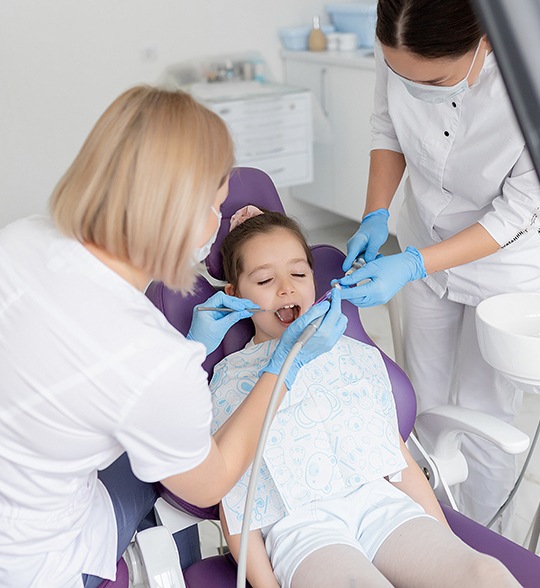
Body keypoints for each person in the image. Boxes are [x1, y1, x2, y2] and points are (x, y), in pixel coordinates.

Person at [0, 86, 345, 588]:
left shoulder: (19, 238)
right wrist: (284, 365)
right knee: (165, 490)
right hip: (33, 557)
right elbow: (209, 485)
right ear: (182, 215)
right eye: (218, 206)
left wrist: (193, 349)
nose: (218, 223)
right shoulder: (152, 360)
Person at [338, 0, 540, 529]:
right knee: (422, 403)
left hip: (507, 262)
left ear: (484, 40)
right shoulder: (398, 36)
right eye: (402, 75)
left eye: (435, 80)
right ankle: (428, 529)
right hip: (424, 232)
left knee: (486, 417)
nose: (415, 89)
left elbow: (520, 210)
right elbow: (386, 128)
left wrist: (413, 264)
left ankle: (486, 540)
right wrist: (375, 214)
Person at [209, 205, 520, 588]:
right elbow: (235, 502)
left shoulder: (354, 356)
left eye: (298, 273)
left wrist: (449, 549)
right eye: (265, 280)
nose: (286, 288)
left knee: (485, 574)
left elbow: (398, 459)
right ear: (235, 295)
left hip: (382, 506)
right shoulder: (230, 380)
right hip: (303, 529)